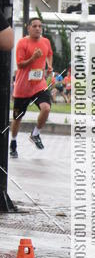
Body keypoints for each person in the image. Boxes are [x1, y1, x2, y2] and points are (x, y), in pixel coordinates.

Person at [10, 16, 53, 158]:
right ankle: (13, 143)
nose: (38, 29)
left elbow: (49, 54)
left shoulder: (45, 41)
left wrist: (49, 65)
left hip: (39, 84)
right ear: (28, 28)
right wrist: (33, 58)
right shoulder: (22, 43)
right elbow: (20, 64)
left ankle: (35, 134)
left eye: (40, 26)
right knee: (18, 118)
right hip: (23, 87)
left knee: (46, 108)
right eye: (34, 26)